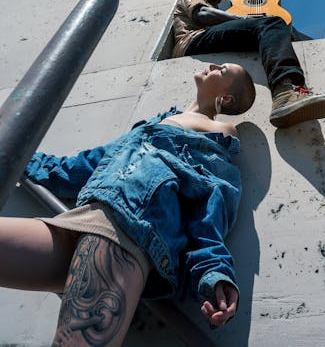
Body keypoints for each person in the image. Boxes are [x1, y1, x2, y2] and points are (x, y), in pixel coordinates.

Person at [0, 62, 256, 346]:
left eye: (222, 70)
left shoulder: (219, 133)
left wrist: (215, 273)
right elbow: (78, 168)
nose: (212, 65)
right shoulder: (153, 123)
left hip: (128, 231)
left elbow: (210, 211)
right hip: (84, 216)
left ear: (226, 98)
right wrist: (20, 154)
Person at [172, 0, 325, 129]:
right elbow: (201, 14)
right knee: (270, 23)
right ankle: (285, 90)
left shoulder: (218, 13)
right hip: (192, 41)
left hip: (206, 40)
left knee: (283, 31)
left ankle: (297, 90)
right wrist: (248, 19)